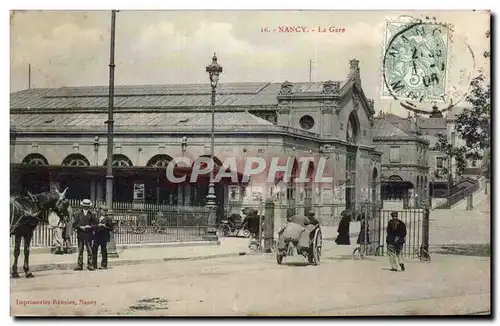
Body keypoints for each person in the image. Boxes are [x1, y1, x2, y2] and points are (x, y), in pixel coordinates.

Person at [72, 199, 97, 271]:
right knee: (80, 251)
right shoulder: (77, 214)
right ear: (82, 206)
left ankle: (90, 265)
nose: (86, 207)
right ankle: (79, 265)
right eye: (85, 206)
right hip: (80, 234)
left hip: (89, 235)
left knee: (90, 251)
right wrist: (80, 227)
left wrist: (90, 226)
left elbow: (95, 224)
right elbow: (74, 224)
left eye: (87, 206)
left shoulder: (92, 214)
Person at [92, 205, 114, 270]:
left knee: (103, 250)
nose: (103, 212)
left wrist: (105, 226)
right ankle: (94, 265)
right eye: (102, 210)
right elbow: (93, 225)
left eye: (104, 211)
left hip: (104, 236)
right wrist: (97, 225)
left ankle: (104, 265)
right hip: (97, 236)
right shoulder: (97, 218)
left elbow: (111, 228)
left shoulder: (108, 219)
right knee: (94, 250)